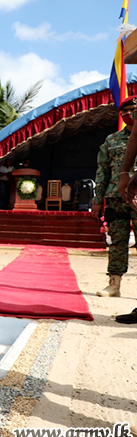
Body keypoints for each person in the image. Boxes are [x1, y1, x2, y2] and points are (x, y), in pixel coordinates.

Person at [91, 96, 137, 298]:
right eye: (124, 112)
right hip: (115, 198)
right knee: (117, 242)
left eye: (132, 110)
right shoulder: (112, 140)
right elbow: (102, 172)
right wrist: (97, 200)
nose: (128, 115)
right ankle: (114, 284)